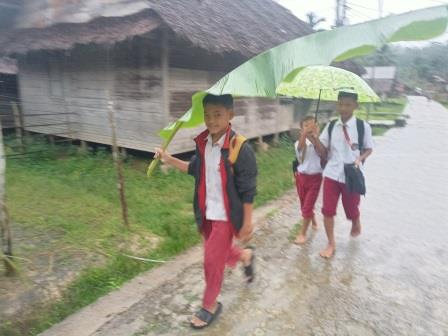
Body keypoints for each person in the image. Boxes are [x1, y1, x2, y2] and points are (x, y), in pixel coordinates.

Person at [154, 93, 257, 329]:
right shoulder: (204, 143)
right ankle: (245, 256)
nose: (212, 121)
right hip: (206, 212)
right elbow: (194, 170)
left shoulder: (240, 147)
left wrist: (247, 221)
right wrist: (168, 158)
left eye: (218, 115)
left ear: (230, 115)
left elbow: (248, 188)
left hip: (226, 215)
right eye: (208, 115)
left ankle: (210, 305)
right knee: (219, 252)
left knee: (211, 262)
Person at [310, 90, 374, 258]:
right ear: (337, 104)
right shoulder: (331, 126)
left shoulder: (362, 126)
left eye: (348, 104)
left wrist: (360, 158)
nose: (343, 108)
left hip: (351, 175)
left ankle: (356, 221)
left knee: (351, 208)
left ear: (355, 106)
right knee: (327, 210)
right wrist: (315, 139)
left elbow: (369, 149)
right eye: (340, 104)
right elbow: (324, 152)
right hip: (331, 173)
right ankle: (331, 244)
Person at [293, 115, 323, 244]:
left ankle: (302, 234)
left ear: (318, 128)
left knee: (307, 207)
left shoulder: (321, 142)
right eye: (306, 125)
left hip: (315, 179)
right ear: (301, 130)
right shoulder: (299, 143)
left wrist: (315, 139)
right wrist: (305, 136)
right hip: (301, 178)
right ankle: (313, 219)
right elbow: (300, 149)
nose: (310, 127)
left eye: (313, 125)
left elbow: (323, 153)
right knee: (303, 204)